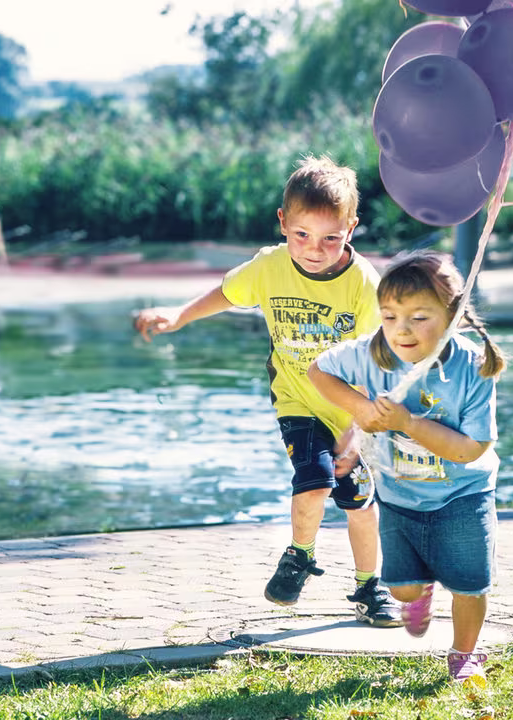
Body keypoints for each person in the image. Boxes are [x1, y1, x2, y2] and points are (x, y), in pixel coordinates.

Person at [133, 155, 402, 628]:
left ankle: (368, 586)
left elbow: (377, 360)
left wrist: (360, 428)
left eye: (329, 238)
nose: (314, 250)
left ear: (351, 229)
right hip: (296, 399)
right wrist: (179, 315)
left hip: (350, 412)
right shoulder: (270, 267)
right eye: (302, 235)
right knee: (314, 480)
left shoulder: (363, 284)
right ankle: (300, 555)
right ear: (283, 222)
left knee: (360, 503)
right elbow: (226, 293)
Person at [307, 249, 507, 683]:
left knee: (470, 586)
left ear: (452, 316)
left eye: (420, 317)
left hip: (463, 495)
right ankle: (420, 592)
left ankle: (464, 654)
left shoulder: (472, 367)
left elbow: (471, 449)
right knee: (402, 589)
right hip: (398, 497)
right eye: (390, 315)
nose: (402, 330)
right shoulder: (372, 353)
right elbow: (318, 371)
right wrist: (360, 408)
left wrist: (407, 423)